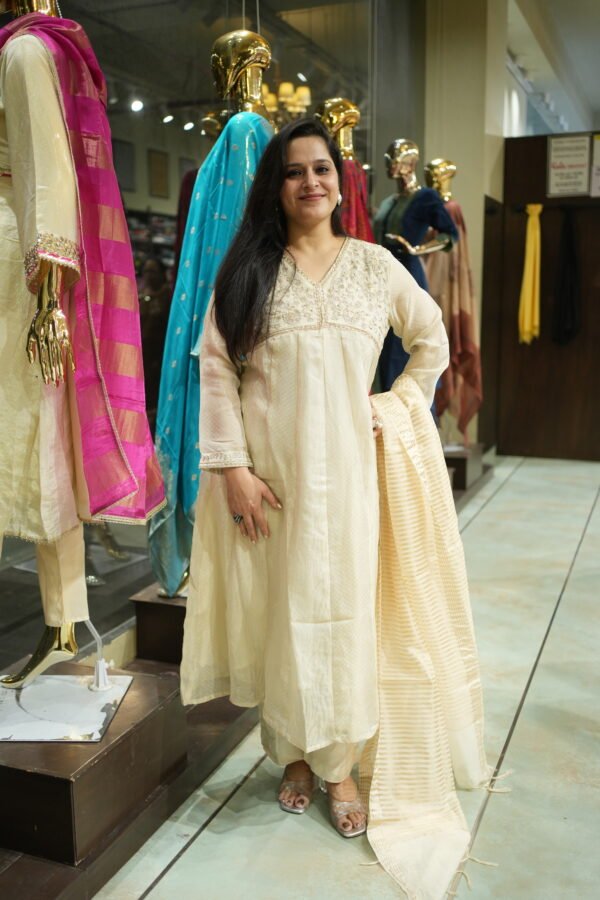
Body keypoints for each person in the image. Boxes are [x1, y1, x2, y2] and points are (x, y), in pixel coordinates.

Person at [180, 119, 487, 891]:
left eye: (321, 168)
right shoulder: (249, 272)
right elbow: (215, 369)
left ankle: (339, 765)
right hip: (270, 485)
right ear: (276, 186)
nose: (310, 182)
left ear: (338, 180)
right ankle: (290, 752)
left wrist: (397, 408)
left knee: (345, 616)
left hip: (351, 480)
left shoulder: (375, 267)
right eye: (294, 171)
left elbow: (431, 343)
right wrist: (232, 469)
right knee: (279, 614)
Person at [139, 255, 171, 435]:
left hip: (159, 357)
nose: (148, 275)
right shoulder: (141, 296)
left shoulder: (168, 297)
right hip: (142, 356)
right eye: (146, 271)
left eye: (152, 271)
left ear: (162, 274)